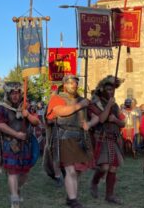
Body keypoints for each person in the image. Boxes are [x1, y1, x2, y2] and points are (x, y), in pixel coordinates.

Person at [47, 75, 97, 208]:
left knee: (78, 171)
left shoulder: (82, 99)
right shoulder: (57, 98)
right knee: (71, 171)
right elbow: (60, 111)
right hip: (64, 137)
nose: (73, 85)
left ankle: (71, 197)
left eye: (75, 83)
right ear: (64, 85)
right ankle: (73, 200)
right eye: (70, 83)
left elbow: (98, 116)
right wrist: (80, 105)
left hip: (80, 138)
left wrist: (90, 123)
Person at [0, 81, 41, 208]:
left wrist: (28, 115)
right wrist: (16, 134)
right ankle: (14, 198)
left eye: (17, 93)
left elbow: (36, 122)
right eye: (12, 93)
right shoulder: (2, 107)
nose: (15, 96)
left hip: (26, 144)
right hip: (10, 144)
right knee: (12, 172)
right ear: (8, 94)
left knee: (25, 173)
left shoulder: (28, 106)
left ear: (21, 93)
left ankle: (16, 189)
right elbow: (0, 124)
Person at [89, 75, 125, 205]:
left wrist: (116, 120)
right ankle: (94, 182)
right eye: (108, 89)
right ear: (102, 89)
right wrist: (109, 105)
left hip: (114, 138)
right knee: (104, 167)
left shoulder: (115, 105)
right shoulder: (95, 103)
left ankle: (109, 195)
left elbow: (123, 123)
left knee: (113, 168)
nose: (111, 92)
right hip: (101, 138)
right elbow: (102, 119)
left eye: (112, 90)